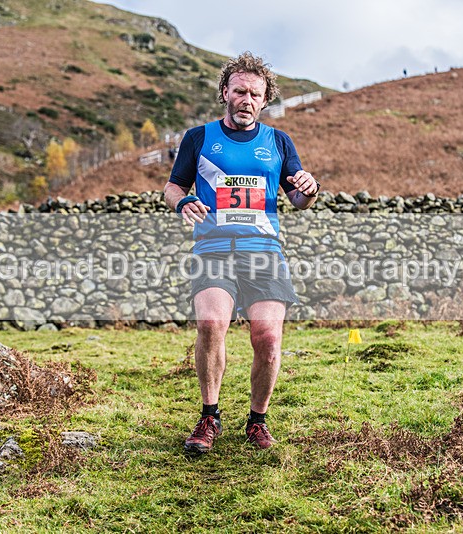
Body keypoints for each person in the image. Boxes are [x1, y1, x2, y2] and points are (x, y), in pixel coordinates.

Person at [163, 52, 320, 453]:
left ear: (264, 100)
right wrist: (183, 202)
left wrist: (309, 189)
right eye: (239, 91)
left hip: (264, 252)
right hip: (213, 248)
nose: (246, 99)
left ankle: (257, 421)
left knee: (267, 338)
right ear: (224, 93)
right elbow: (173, 187)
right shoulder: (198, 138)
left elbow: (299, 198)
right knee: (211, 323)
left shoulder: (278, 142)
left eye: (254, 94)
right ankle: (209, 416)